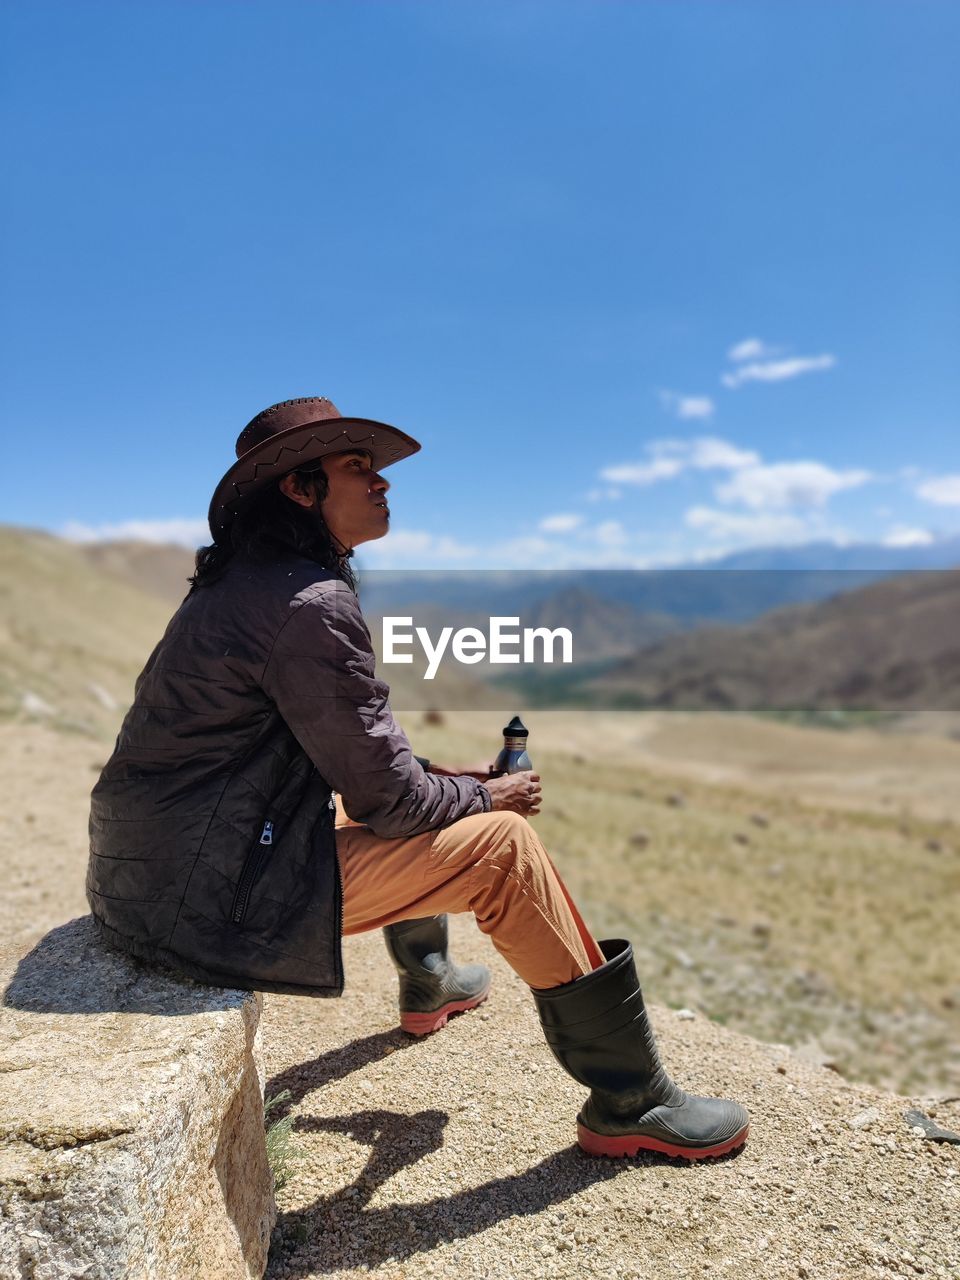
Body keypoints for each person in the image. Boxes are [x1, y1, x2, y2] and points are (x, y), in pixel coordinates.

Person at [87, 396, 749, 1160]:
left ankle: (432, 982)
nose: (382, 484)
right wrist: (487, 794)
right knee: (500, 845)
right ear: (300, 491)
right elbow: (394, 803)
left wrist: (447, 780)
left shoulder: (243, 591)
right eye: (356, 468)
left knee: (430, 805)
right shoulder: (308, 604)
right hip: (205, 899)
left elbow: (362, 761)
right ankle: (632, 1099)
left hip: (156, 877)